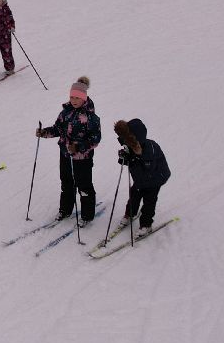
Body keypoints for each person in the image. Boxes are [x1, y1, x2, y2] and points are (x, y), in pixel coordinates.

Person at [36, 77, 102, 223]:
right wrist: (44, 132)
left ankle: (87, 215)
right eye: (72, 96)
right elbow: (57, 129)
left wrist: (79, 147)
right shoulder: (65, 113)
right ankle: (65, 210)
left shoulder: (91, 117)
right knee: (66, 183)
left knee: (84, 185)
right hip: (65, 154)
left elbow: (95, 139)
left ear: (84, 98)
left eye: (77, 97)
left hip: (82, 158)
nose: (74, 100)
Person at [115, 118, 172, 231]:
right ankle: (130, 214)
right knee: (134, 195)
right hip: (140, 179)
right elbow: (129, 162)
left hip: (156, 178)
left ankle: (146, 225)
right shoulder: (131, 146)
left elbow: (149, 168)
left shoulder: (150, 148)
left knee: (149, 201)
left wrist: (135, 158)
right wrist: (124, 158)